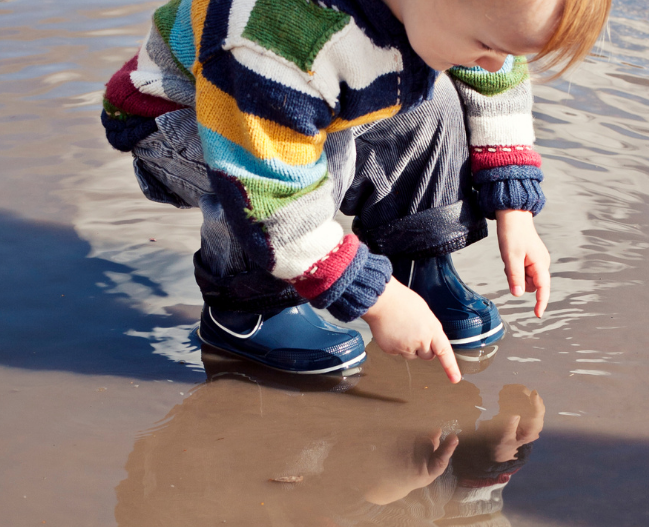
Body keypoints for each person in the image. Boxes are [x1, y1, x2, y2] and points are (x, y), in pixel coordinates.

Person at [101, 0, 611, 382]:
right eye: (489, 47)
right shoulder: (277, 38)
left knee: (434, 104)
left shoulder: (462, 16)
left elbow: (493, 79)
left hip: (312, 106)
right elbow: (271, 197)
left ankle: (416, 259)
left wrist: (514, 209)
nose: (497, 62)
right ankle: (247, 308)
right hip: (192, 125)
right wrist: (378, 301)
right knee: (319, 167)